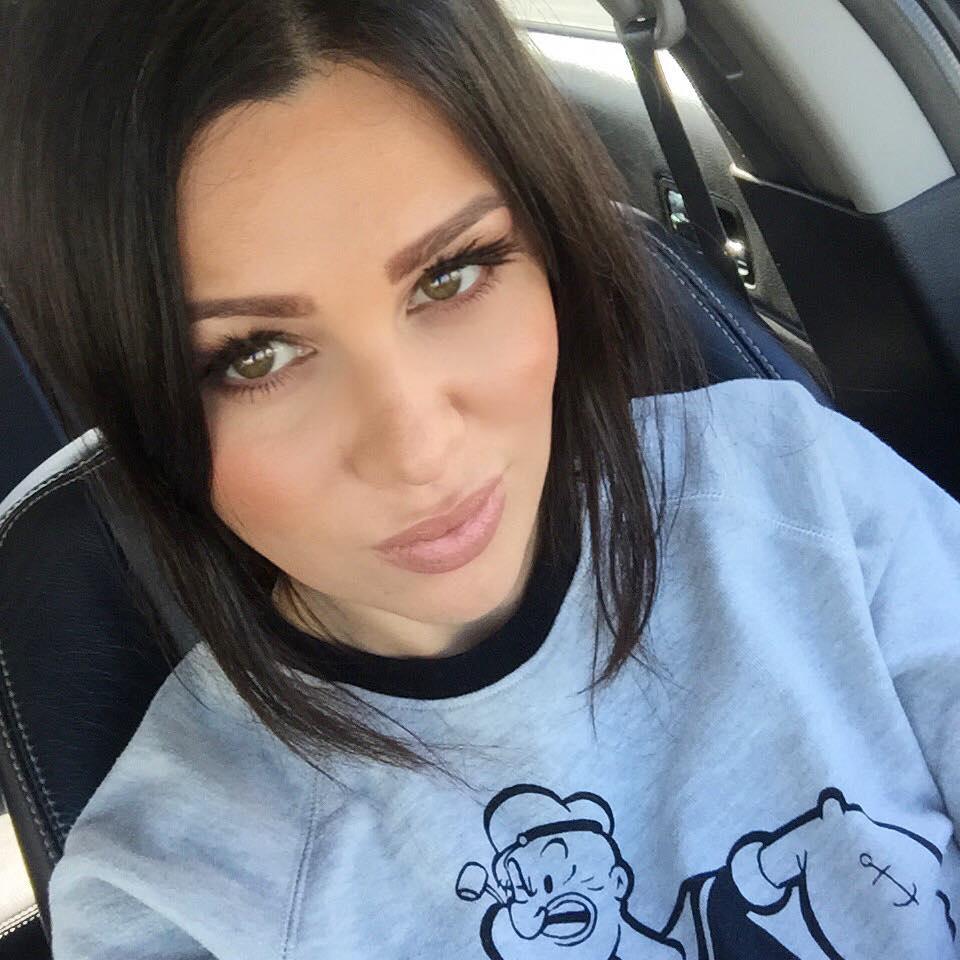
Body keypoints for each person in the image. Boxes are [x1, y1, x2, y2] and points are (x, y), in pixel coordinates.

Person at [0, 1, 957, 957]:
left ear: (552, 251)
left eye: (450, 276)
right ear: (143, 406)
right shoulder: (177, 894)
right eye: (255, 356)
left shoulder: (800, 492)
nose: (418, 451)